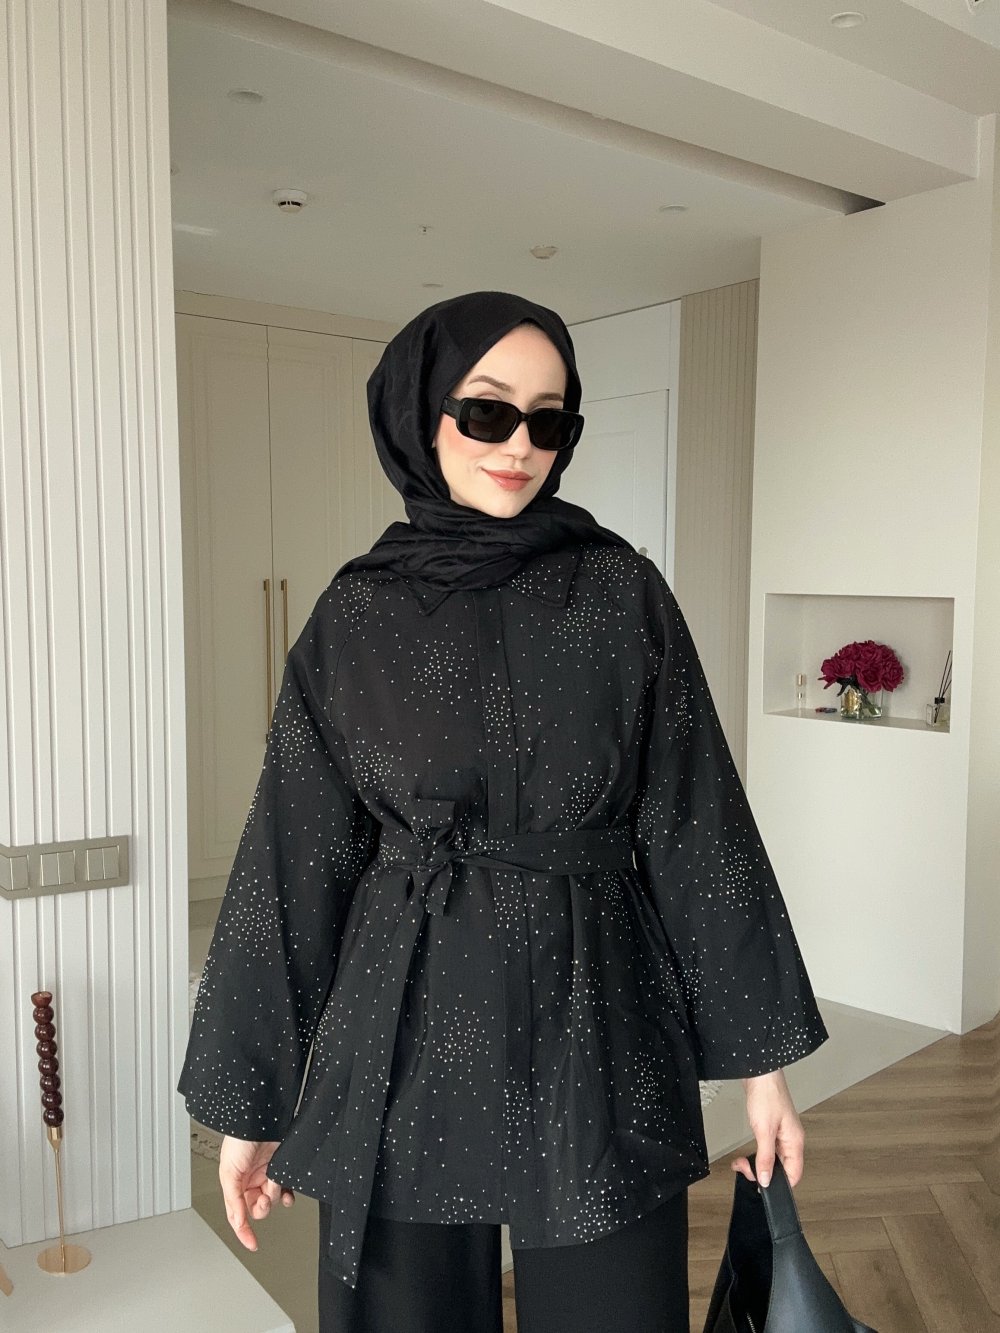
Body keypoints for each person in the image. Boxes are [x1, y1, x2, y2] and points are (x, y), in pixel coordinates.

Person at [178, 290, 829, 1333]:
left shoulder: (621, 594)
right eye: (487, 411)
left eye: (549, 420)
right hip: (403, 1020)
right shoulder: (354, 616)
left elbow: (696, 827)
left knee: (616, 1310)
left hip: (597, 1011)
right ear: (421, 413)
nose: (519, 444)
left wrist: (762, 1071)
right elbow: (290, 865)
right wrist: (249, 1106)